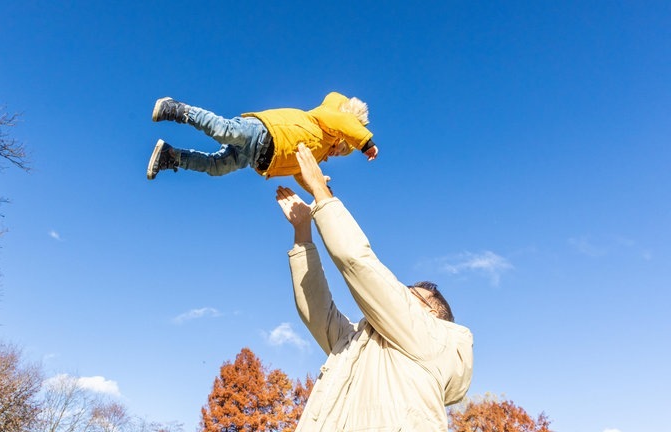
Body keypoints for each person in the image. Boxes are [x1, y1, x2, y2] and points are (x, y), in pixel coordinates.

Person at [275, 143, 473, 431]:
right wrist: (302, 232)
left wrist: (321, 192)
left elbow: (360, 263)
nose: (399, 293)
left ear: (432, 313)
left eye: (411, 294)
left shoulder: (433, 337)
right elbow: (316, 310)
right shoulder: (357, 342)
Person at [146, 92, 379, 180]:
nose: (336, 154)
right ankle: (177, 109)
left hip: (254, 156)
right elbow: (344, 121)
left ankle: (171, 156)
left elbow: (301, 173)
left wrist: (319, 187)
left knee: (217, 167)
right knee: (223, 130)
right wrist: (364, 142)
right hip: (262, 132)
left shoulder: (317, 154)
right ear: (342, 137)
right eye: (341, 149)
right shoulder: (327, 121)